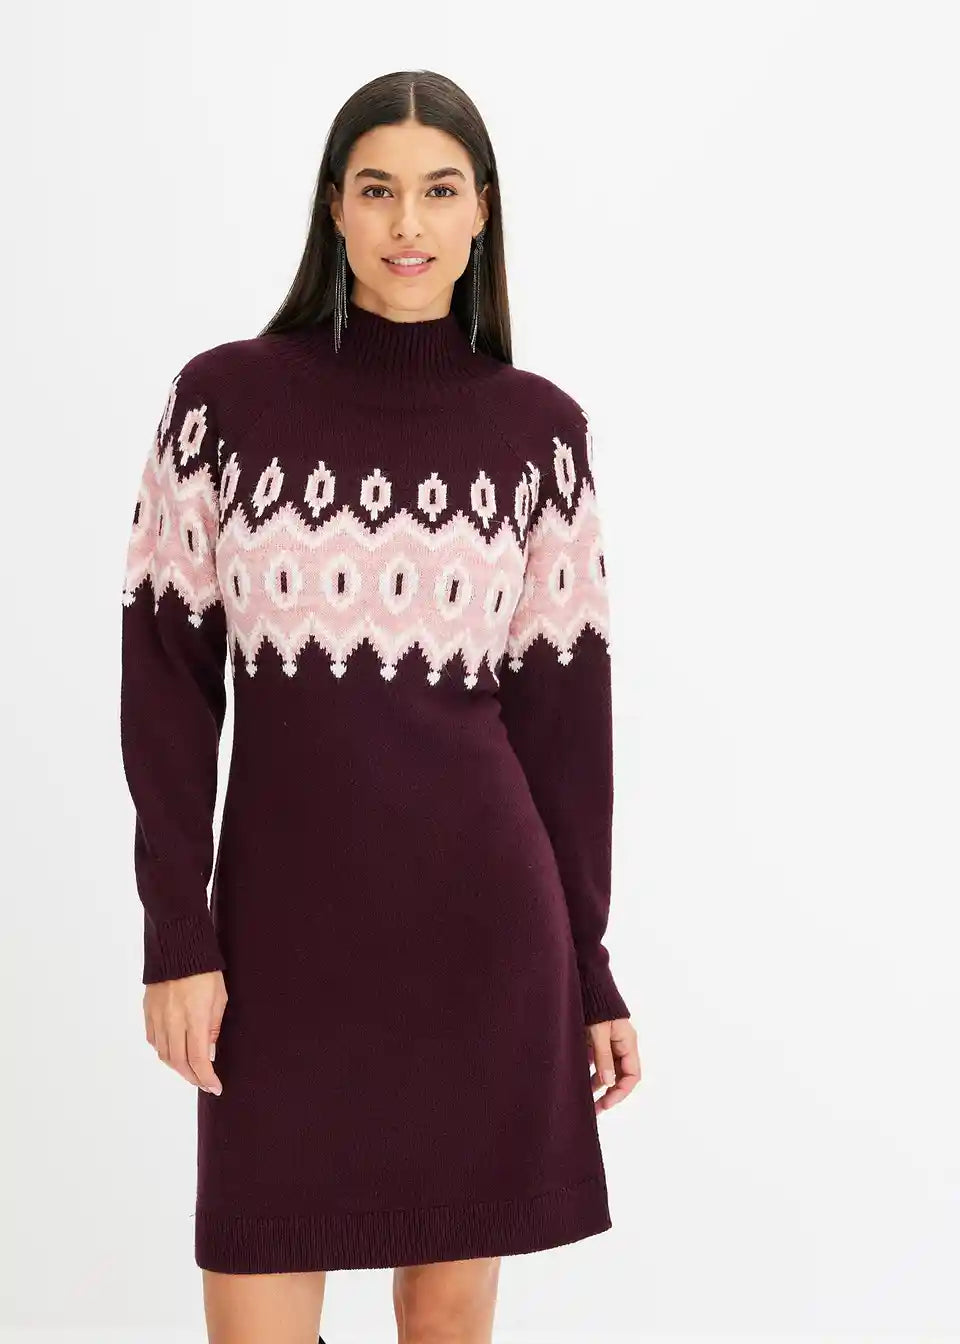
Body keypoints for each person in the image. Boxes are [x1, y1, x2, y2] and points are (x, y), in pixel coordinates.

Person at [120, 68, 641, 1344]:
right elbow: (166, 686)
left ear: (482, 213)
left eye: (440, 191)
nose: (409, 222)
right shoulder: (222, 404)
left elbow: (565, 735)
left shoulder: (541, 434)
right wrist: (176, 934)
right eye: (378, 190)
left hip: (480, 937)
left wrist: (590, 971)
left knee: (448, 1322)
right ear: (335, 209)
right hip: (277, 946)